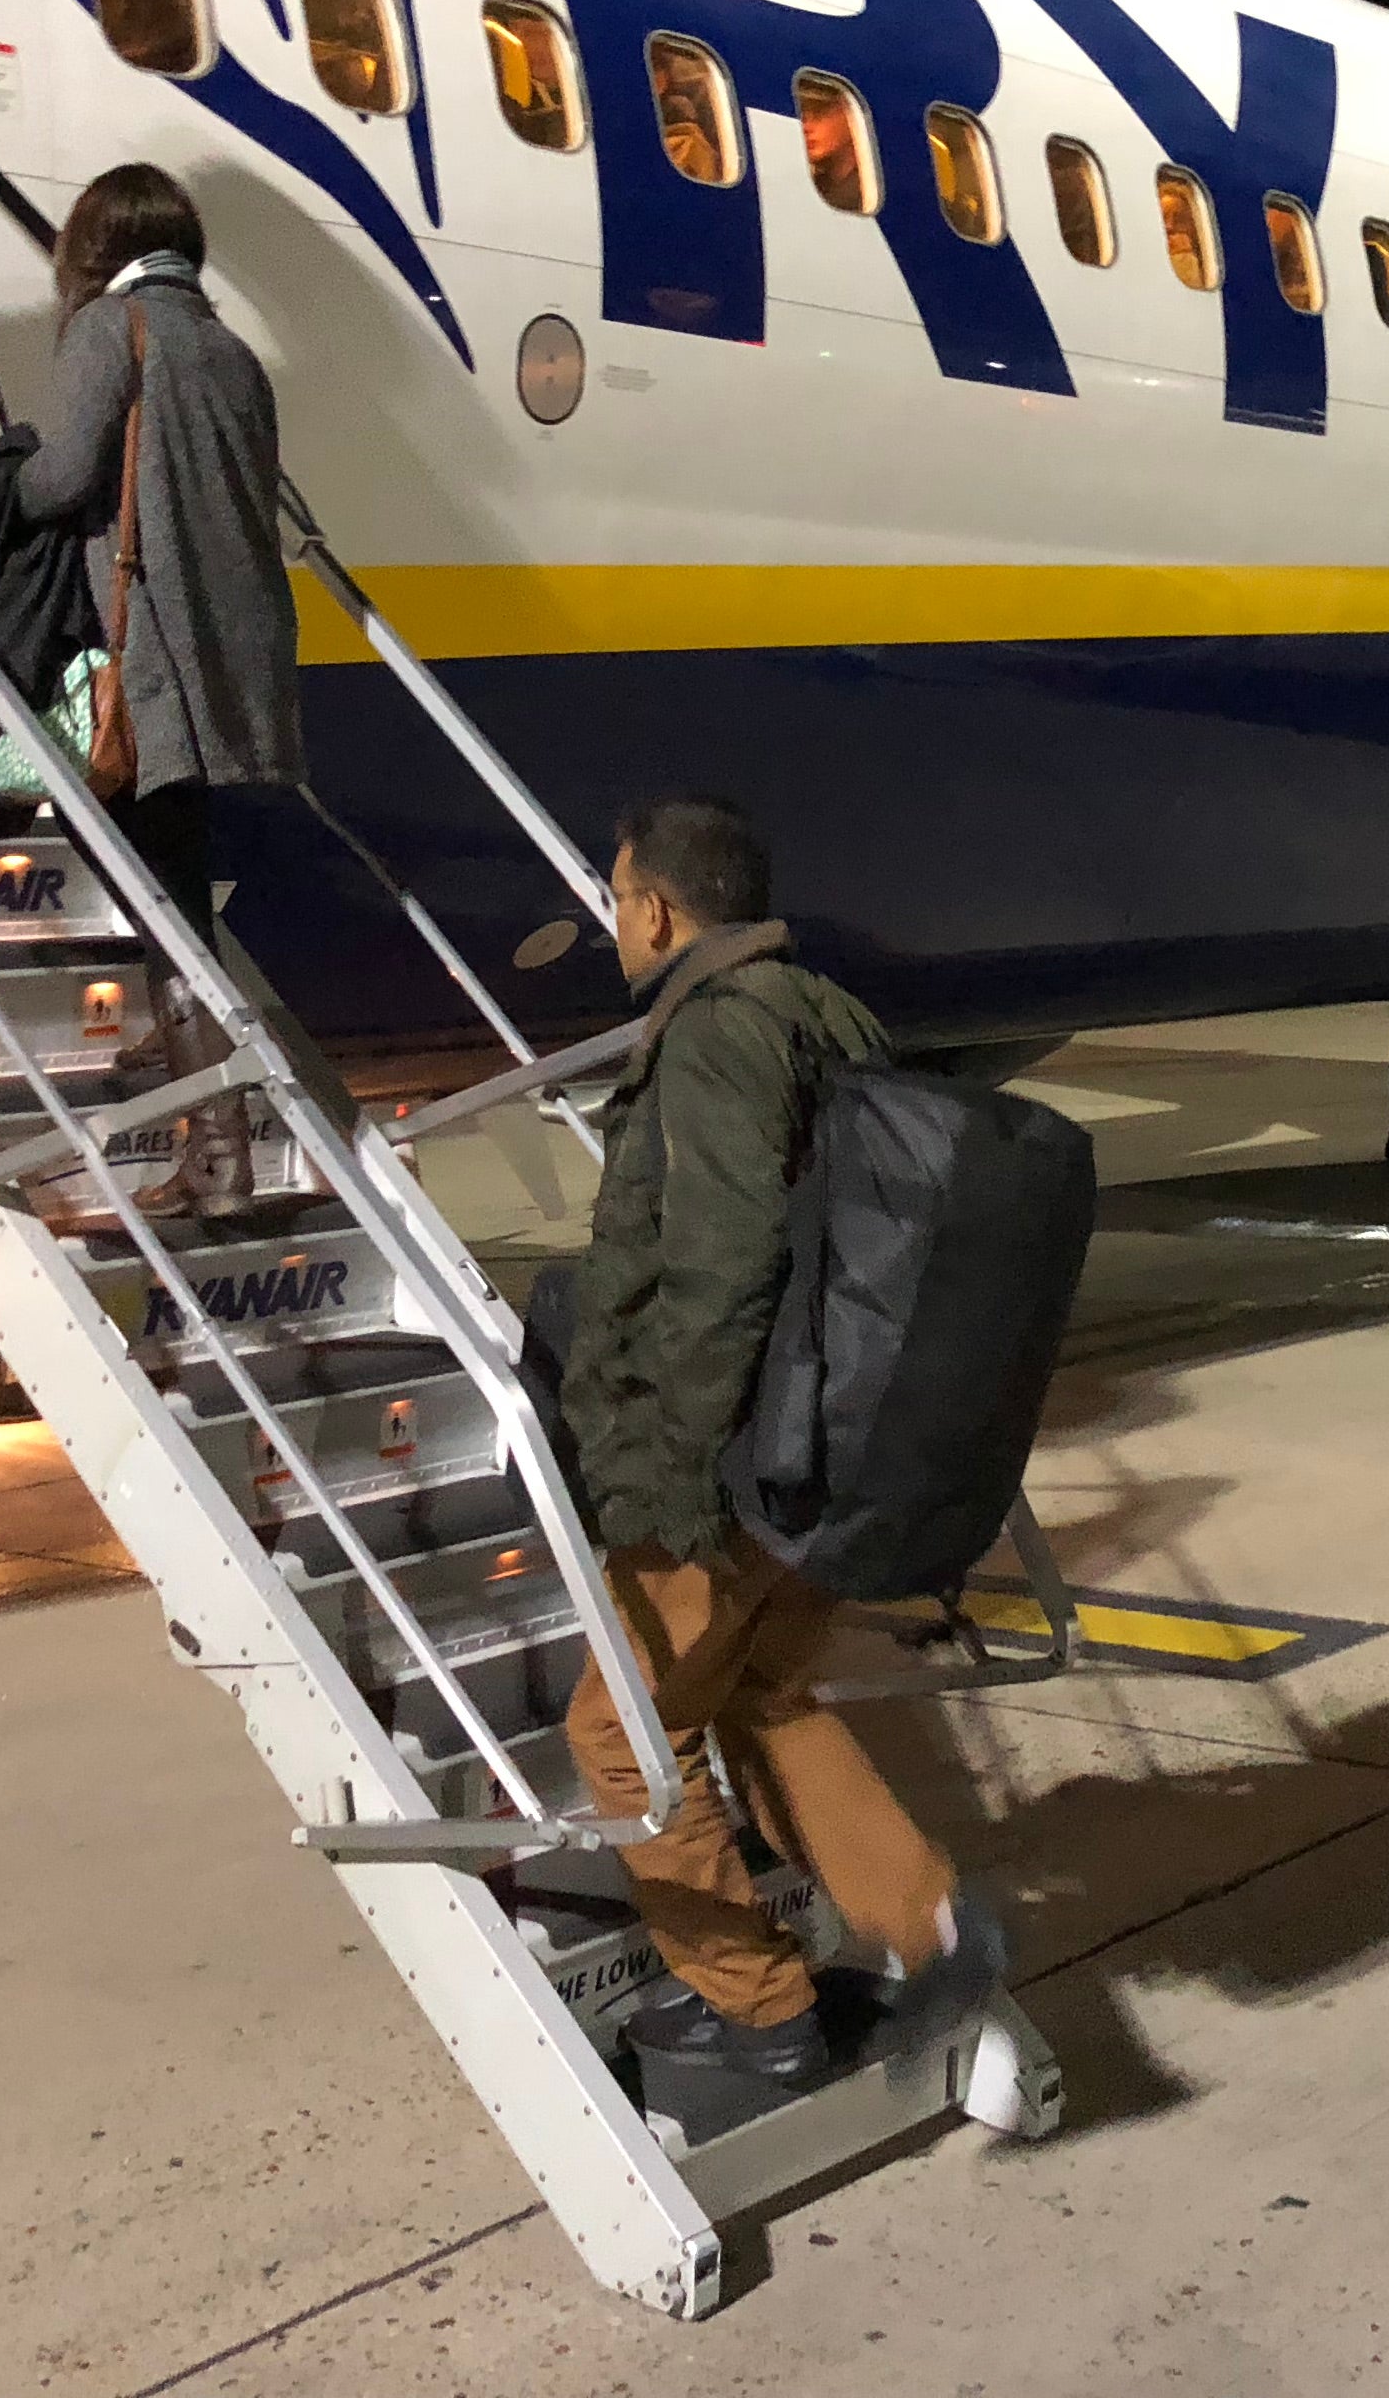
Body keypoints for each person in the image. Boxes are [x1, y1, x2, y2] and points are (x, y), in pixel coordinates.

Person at [552, 797, 1008, 2091]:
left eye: (615, 897)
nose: (614, 922)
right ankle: (928, 1923)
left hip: (742, 1451)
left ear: (656, 908)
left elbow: (723, 1261)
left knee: (623, 1731)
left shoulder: (710, 1035)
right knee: (754, 1691)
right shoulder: (825, 1013)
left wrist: (680, 1470)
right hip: (837, 1434)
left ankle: (757, 2015)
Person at [13, 165, 304, 1219]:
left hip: (147, 672)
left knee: (160, 896)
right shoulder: (232, 353)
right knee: (172, 885)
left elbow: (61, 480)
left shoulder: (110, 331)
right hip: (231, 666)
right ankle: (178, 1037)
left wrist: (5, 473)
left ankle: (216, 1149)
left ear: (95, 245)